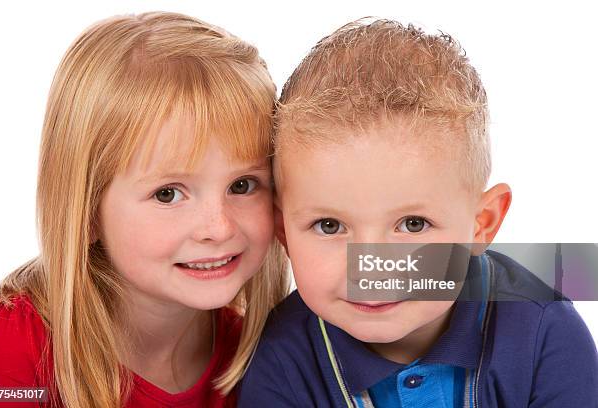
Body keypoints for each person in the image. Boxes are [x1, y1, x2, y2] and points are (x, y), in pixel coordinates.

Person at [239, 19, 598, 407]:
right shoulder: (282, 359)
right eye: (329, 225)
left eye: (413, 225)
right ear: (283, 231)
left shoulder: (544, 330)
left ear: (482, 224)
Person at [0, 11, 288, 408]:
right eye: (168, 194)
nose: (218, 227)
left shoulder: (263, 358)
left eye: (242, 185)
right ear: (88, 210)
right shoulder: (8, 348)